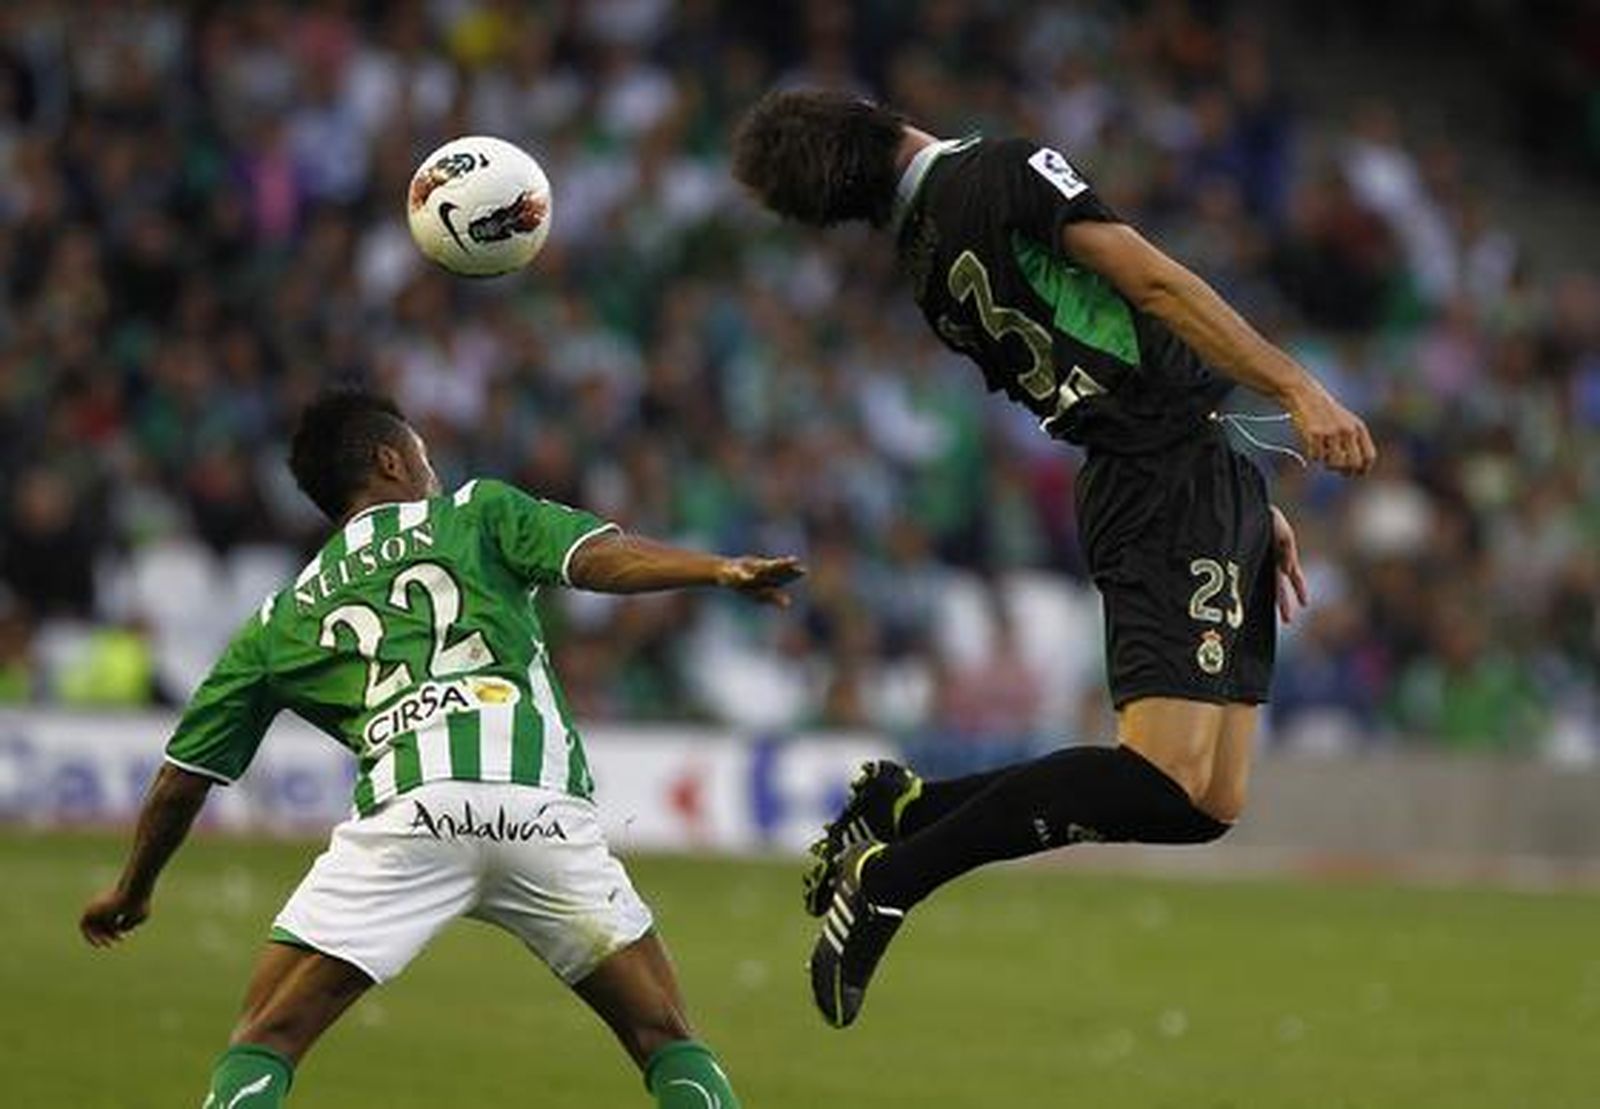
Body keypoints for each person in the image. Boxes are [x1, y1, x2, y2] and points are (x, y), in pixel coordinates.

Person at [732, 88, 1376, 1028]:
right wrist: (1297, 386)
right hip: (1159, 481)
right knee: (1158, 774)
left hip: (1190, 470)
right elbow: (1150, 283)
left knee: (1205, 802)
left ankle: (906, 810)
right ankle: (895, 876)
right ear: (868, 114)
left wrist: (1236, 491)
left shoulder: (923, 261)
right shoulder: (995, 171)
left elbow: (1111, 354)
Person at [80, 390, 802, 1107]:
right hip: (540, 816)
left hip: (411, 818)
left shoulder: (283, 615)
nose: (433, 469)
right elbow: (596, 559)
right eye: (424, 455)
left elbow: (184, 779)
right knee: (665, 1033)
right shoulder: (476, 510)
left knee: (266, 1038)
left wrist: (133, 889)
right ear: (391, 460)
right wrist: (713, 569)